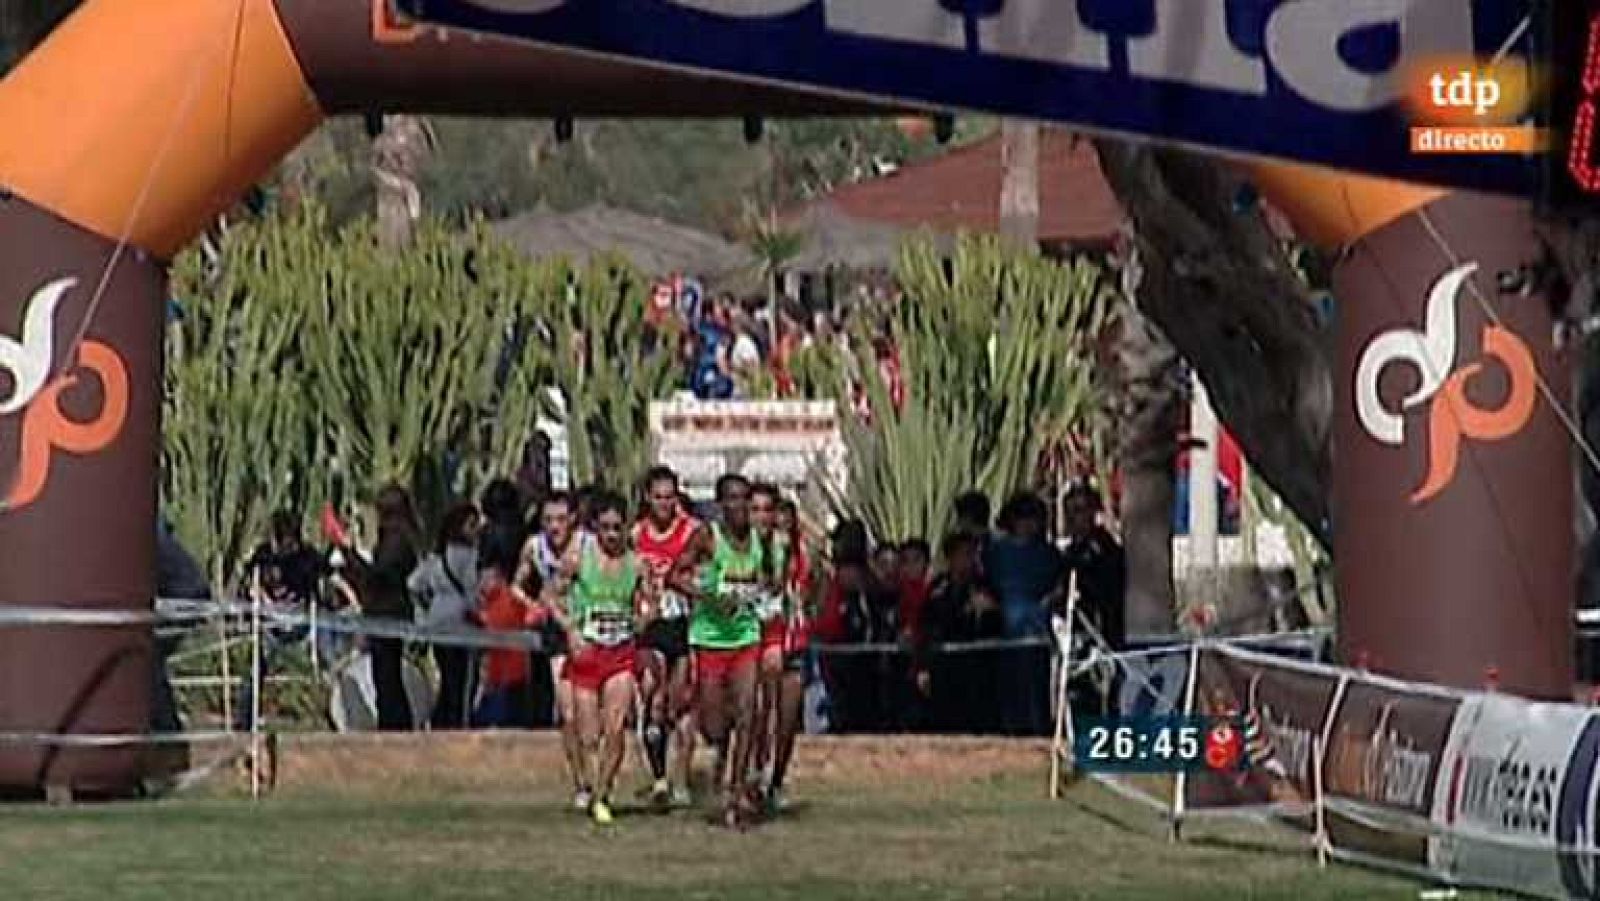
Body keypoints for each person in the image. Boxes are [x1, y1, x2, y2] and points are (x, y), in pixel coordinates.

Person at [546, 491, 652, 825]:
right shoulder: (579, 558)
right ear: (595, 527)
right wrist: (570, 630)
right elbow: (550, 596)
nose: (611, 535)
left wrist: (643, 619)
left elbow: (651, 601)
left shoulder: (637, 564)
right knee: (588, 734)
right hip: (587, 652)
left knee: (616, 728)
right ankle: (590, 787)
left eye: (617, 528)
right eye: (605, 528)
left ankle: (603, 794)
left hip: (620, 652)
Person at [673, 474, 768, 829]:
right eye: (731, 499)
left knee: (748, 710)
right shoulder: (707, 537)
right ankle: (721, 755)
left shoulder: (761, 539)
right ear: (720, 503)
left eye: (744, 499)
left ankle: (735, 793)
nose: (739, 506)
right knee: (714, 726)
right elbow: (674, 575)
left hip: (746, 636)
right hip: (710, 638)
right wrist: (708, 595)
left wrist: (767, 592)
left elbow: (771, 574)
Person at [632, 466, 700, 808]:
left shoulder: (692, 531)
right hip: (651, 626)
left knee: (681, 703)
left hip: (684, 623)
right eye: (658, 497)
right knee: (652, 691)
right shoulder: (636, 534)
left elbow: (707, 571)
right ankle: (659, 779)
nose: (664, 503)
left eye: (669, 497)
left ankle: (682, 779)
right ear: (648, 498)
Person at [337, 485, 422, 731]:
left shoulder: (396, 540)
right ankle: (393, 724)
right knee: (385, 676)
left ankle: (395, 726)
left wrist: (349, 553)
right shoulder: (398, 538)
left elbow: (377, 577)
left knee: (387, 678)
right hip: (387, 611)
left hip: (387, 613)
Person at [237, 510, 330, 731]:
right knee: (255, 668)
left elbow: (330, 578)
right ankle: (245, 719)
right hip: (271, 625)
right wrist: (256, 599)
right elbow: (248, 582)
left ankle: (324, 715)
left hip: (302, 624)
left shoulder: (308, 556)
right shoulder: (263, 555)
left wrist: (352, 601)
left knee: (326, 662)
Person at [523, 492, 587, 808]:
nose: (554, 527)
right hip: (557, 634)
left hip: (591, 630)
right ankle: (581, 784)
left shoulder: (588, 545)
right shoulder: (535, 547)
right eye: (548, 520)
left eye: (561, 519)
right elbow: (518, 584)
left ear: (573, 519)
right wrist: (534, 605)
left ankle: (600, 776)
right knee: (568, 712)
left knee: (594, 712)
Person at [984, 492, 1063, 736]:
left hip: (1037, 628)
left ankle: (1037, 728)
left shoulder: (1048, 554)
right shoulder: (996, 552)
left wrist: (1050, 602)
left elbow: (1058, 586)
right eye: (1022, 518)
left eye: (1033, 518)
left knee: (1036, 684)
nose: (1028, 524)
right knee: (1009, 684)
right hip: (1005, 629)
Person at [917, 533, 1003, 734]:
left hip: (976, 671)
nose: (967, 560)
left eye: (971, 554)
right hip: (944, 668)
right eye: (962, 554)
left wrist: (989, 610)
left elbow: (996, 627)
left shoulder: (985, 586)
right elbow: (928, 628)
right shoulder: (938, 589)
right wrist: (924, 666)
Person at [407, 502, 483, 730]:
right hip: (462, 628)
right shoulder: (469, 556)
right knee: (460, 683)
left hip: (437, 626)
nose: (477, 529)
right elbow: (472, 590)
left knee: (447, 679)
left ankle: (440, 722)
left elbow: (413, 583)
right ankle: (455, 724)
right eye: (472, 524)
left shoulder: (436, 557)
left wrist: (426, 608)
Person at [763, 497, 813, 811]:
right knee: (761, 713)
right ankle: (754, 774)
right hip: (766, 640)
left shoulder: (803, 555)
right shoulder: (759, 554)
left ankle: (777, 779)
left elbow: (810, 592)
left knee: (788, 718)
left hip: (795, 641)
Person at [1058, 482, 1127, 652]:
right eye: (1068, 511)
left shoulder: (1106, 548)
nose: (1072, 518)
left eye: (1079, 510)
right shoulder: (1068, 552)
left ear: (1093, 512)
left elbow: (1108, 590)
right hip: (1072, 630)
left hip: (1102, 632)